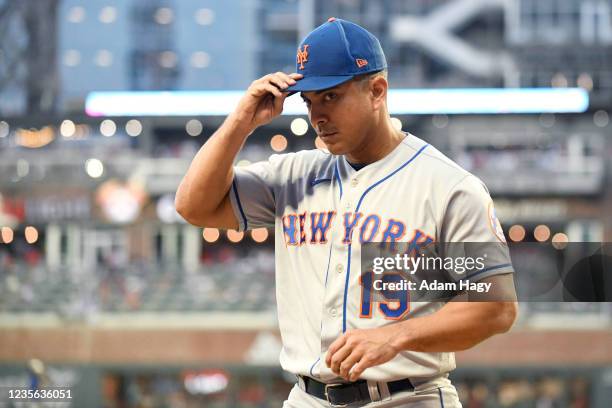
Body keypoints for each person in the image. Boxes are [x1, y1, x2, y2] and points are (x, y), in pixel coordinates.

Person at [176, 17, 518, 407]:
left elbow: (496, 307)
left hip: (408, 396)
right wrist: (240, 122)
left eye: (331, 96)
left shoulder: (448, 186)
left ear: (377, 90)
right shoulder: (293, 174)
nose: (317, 115)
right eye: (309, 100)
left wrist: (397, 336)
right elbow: (193, 206)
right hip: (307, 397)